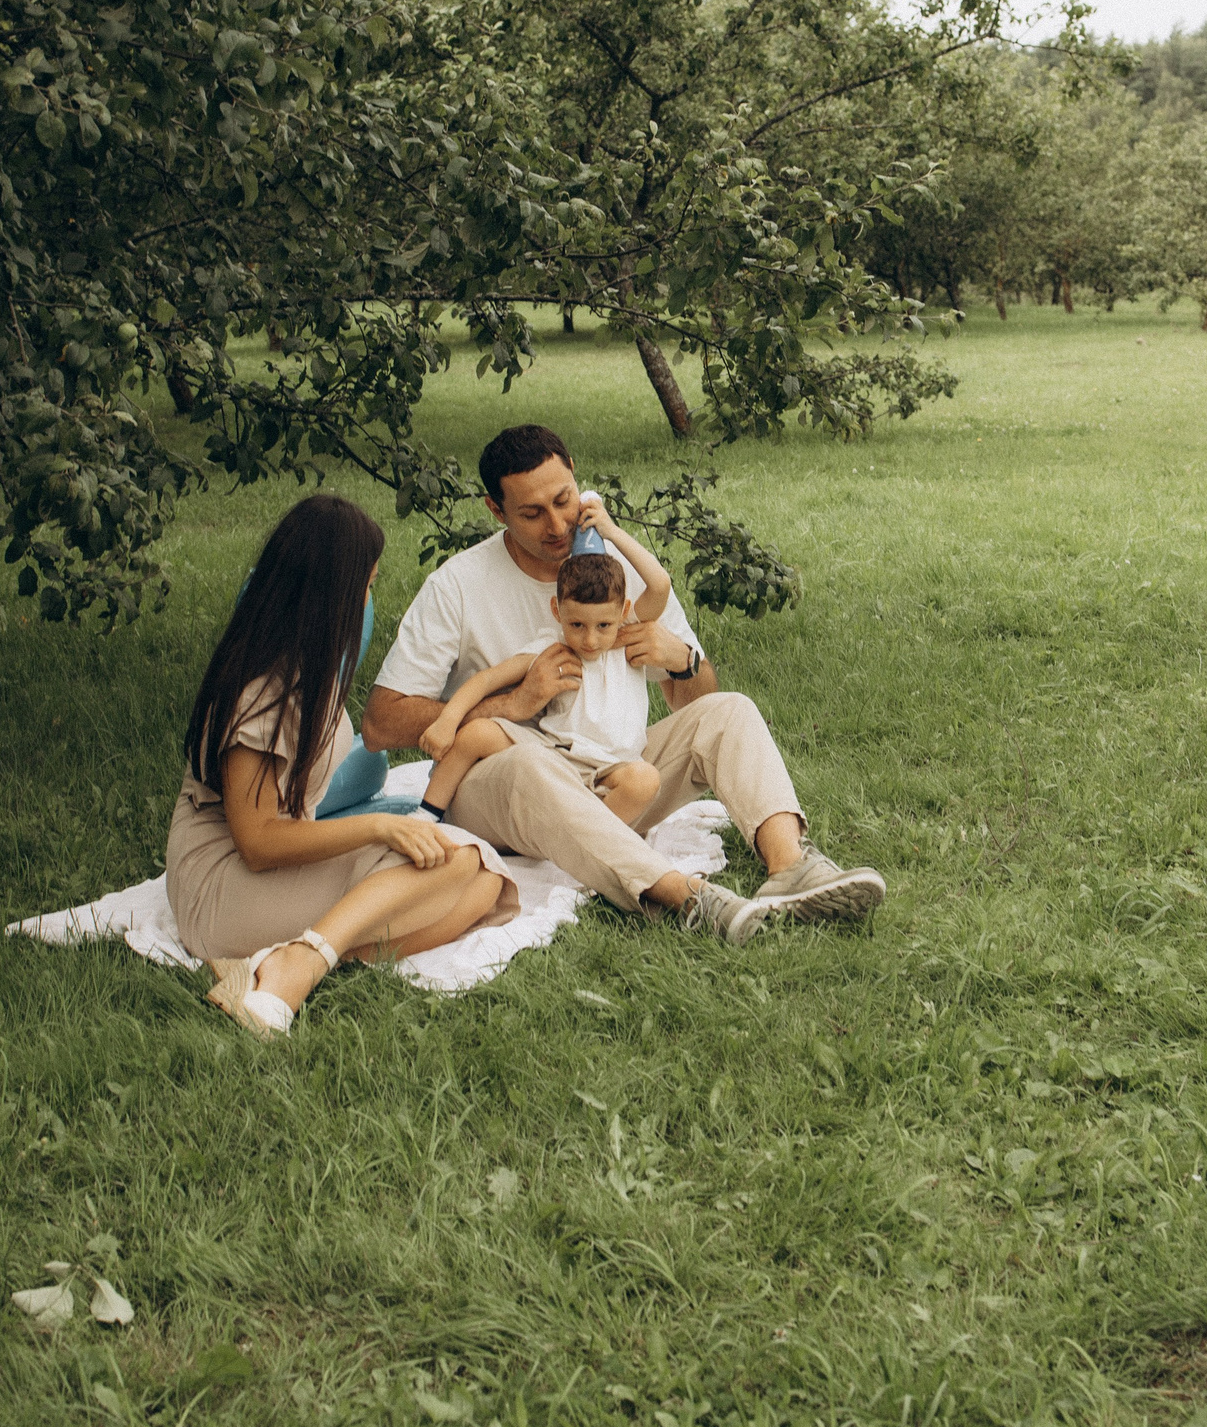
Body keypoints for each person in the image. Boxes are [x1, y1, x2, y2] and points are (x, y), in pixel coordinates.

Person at [363, 425, 886, 943]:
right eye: (531, 512)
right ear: (496, 510)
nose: (557, 524)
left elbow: (695, 704)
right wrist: (516, 702)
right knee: (530, 763)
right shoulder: (456, 585)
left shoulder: (617, 570)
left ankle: (791, 869)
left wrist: (678, 659)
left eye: (564, 500)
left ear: (576, 481)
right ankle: (687, 899)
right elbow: (381, 723)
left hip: (613, 782)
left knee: (730, 711)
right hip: (500, 790)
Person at [168, 495, 518, 1037]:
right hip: (220, 888)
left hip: (272, 865)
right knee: (456, 861)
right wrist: (378, 827)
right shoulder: (264, 690)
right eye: (368, 584)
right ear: (335, 592)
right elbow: (257, 844)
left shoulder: (310, 670)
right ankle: (297, 966)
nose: (369, 599)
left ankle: (293, 959)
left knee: (483, 887)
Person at [415, 494, 672, 827]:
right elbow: (486, 680)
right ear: (557, 611)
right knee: (477, 733)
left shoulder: (625, 638)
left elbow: (660, 583)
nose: (590, 640)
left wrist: (610, 531)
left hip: (613, 766)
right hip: (553, 756)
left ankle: (590, 845)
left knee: (645, 780)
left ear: (622, 613)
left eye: (603, 625)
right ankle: (424, 816)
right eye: (576, 624)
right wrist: (447, 721)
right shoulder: (552, 646)